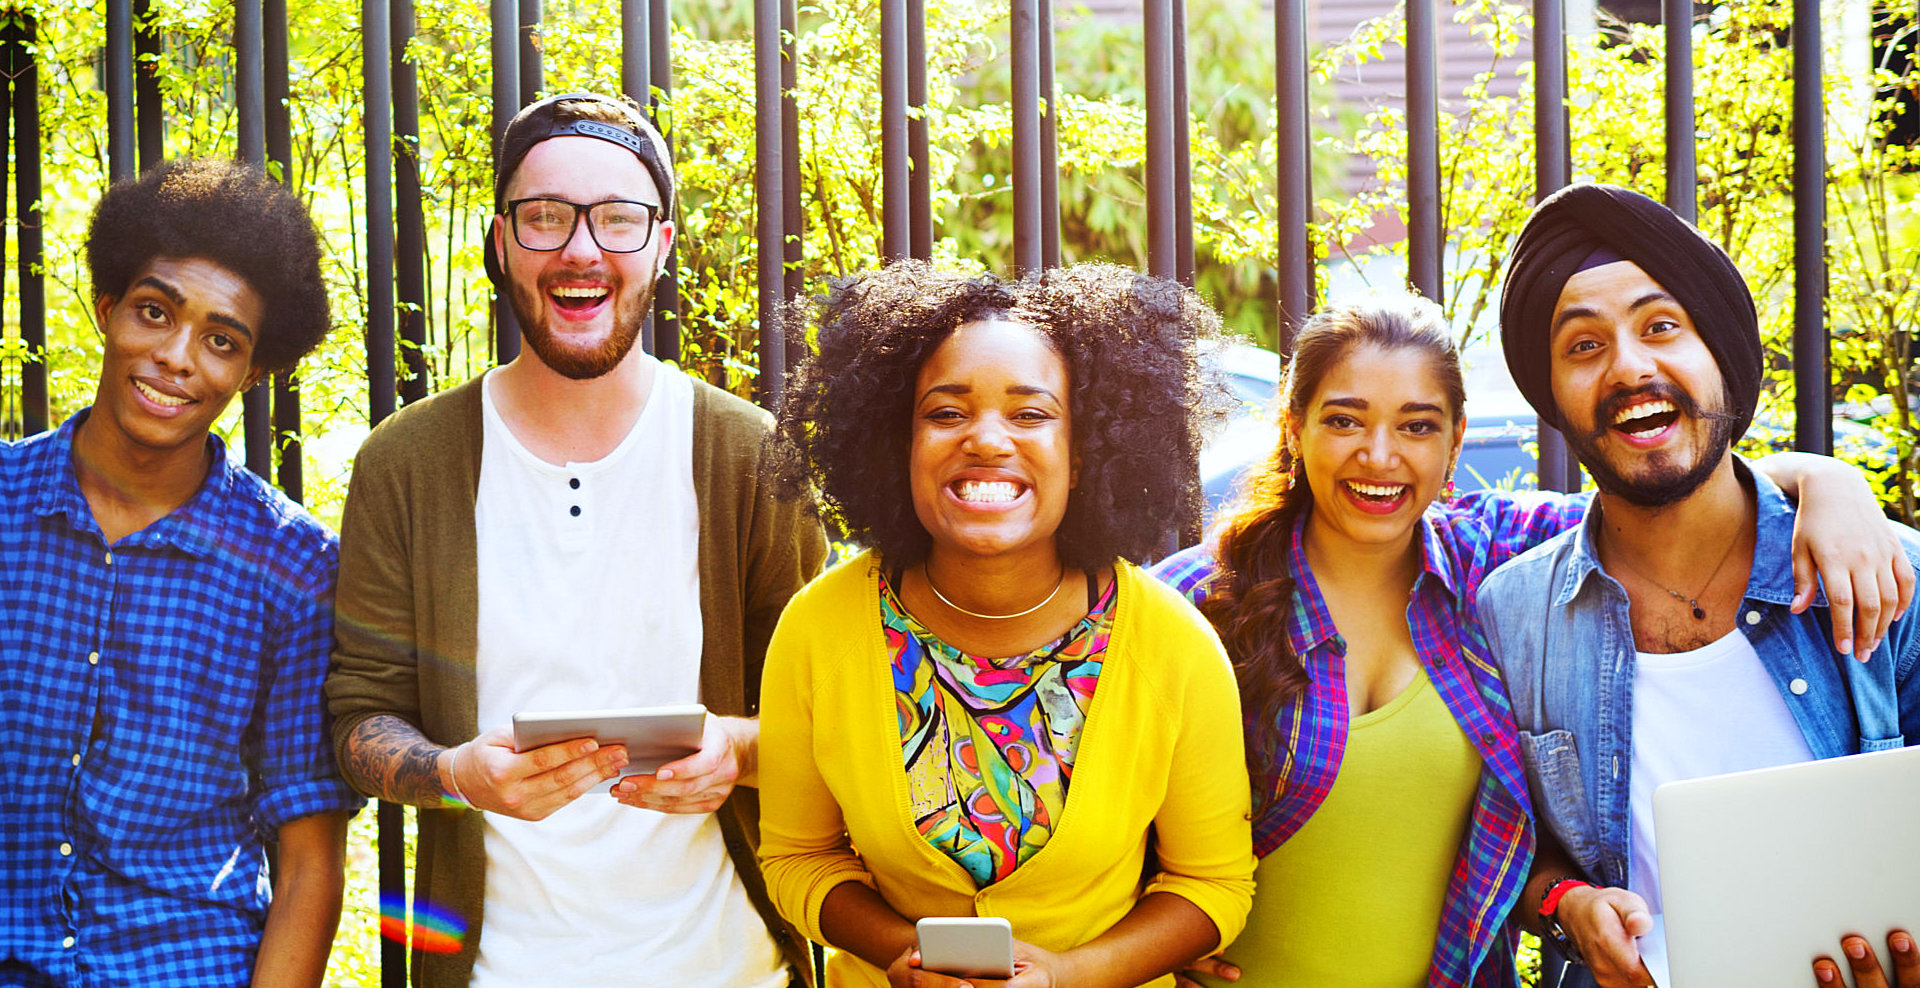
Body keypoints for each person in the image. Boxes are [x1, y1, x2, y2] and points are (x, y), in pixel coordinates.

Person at [1149, 292, 1899, 988]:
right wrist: (1157, 934)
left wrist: (1827, 483)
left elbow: (1669, 498)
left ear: (1454, 441)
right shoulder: (1195, 600)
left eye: (1417, 425)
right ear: (1293, 426)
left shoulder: (1492, 558)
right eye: (1345, 420)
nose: (1380, 456)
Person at [324, 92, 827, 988]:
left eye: (619, 220)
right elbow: (358, 719)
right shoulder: (405, 464)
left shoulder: (749, 455)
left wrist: (735, 753)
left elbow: (823, 719)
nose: (582, 248)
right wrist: (453, 773)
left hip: (731, 969)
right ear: (501, 239)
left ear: (662, 245)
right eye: (547, 217)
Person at [758, 261, 1255, 988]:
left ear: (1083, 455)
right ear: (901, 446)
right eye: (946, 412)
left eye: (1030, 414)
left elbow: (1213, 886)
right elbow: (798, 857)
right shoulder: (821, 627)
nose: (987, 440)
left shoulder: (1170, 644)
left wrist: (1069, 975)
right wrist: (905, 955)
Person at [1479, 182, 1919, 988]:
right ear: (1551, 395)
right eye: (1583, 345)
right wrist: (1565, 902)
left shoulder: (1888, 576)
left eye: (1661, 326)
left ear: (1720, 350)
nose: (1630, 368)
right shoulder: (1513, 616)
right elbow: (1507, 846)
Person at [0, 159, 361, 986]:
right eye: (154, 312)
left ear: (254, 370)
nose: (176, 357)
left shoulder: (293, 566)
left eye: (221, 339)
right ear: (107, 310)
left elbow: (309, 864)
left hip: (184, 966)